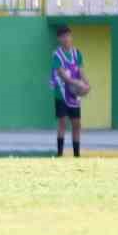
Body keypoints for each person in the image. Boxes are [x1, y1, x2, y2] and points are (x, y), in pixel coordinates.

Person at [49, 24, 89, 158]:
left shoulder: (77, 53)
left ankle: (76, 154)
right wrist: (76, 83)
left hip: (74, 94)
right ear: (59, 39)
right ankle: (60, 153)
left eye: (68, 36)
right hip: (61, 93)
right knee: (62, 122)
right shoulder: (57, 55)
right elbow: (62, 74)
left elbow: (81, 71)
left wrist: (86, 84)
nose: (66, 39)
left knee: (76, 124)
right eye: (63, 36)